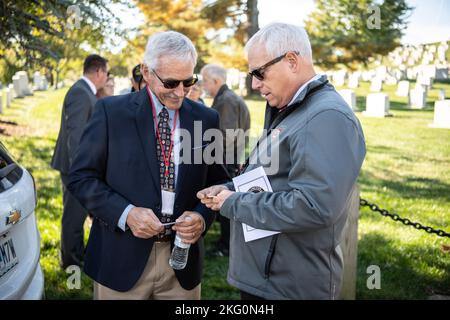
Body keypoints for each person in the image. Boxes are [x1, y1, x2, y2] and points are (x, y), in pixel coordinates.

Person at [197, 23, 366, 300]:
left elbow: (315, 206)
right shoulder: (293, 107)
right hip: (269, 277)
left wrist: (233, 202)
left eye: (259, 73)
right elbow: (276, 176)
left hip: (289, 285)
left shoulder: (327, 117)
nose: (254, 84)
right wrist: (231, 188)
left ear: (291, 60)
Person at [67, 31, 229, 299]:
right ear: (146, 72)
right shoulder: (110, 112)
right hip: (120, 260)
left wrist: (202, 216)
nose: (180, 92)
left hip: (183, 266)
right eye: (171, 82)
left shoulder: (206, 118)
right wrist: (127, 214)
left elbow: (218, 182)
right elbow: (81, 177)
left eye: (188, 81)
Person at [51, 54, 108, 269]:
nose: (106, 78)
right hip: (74, 168)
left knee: (79, 213)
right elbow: (76, 138)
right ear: (99, 72)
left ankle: (77, 253)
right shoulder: (81, 94)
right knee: (74, 217)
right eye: (107, 73)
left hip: (79, 167)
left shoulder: (86, 92)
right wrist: (81, 172)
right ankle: (70, 262)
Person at [200, 63, 250, 257]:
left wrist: (217, 162)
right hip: (231, 158)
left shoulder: (226, 100)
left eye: (205, 81)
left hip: (226, 160)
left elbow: (226, 136)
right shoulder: (226, 97)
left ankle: (226, 246)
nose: (203, 85)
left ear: (216, 81)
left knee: (226, 202)